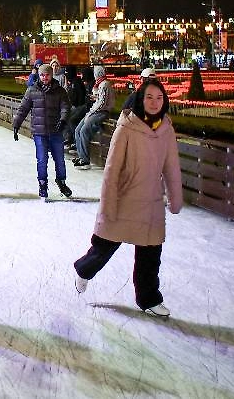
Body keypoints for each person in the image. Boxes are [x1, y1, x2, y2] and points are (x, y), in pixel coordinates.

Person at [72, 80, 183, 318]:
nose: (154, 103)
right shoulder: (127, 127)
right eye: (149, 97)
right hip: (124, 198)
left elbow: (171, 166)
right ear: (141, 99)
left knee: (151, 255)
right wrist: (108, 204)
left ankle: (149, 299)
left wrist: (175, 197)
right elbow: (112, 170)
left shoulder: (166, 129)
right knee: (103, 248)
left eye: (159, 98)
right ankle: (84, 270)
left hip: (152, 202)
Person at [12, 64, 72, 199]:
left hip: (55, 131)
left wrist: (63, 120)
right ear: (39, 76)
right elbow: (23, 109)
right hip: (39, 132)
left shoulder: (60, 91)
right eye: (42, 75)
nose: (44, 77)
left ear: (51, 75)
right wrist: (16, 125)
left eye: (47, 75)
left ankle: (61, 182)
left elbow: (65, 108)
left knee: (60, 160)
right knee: (42, 159)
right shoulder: (32, 90)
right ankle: (43, 184)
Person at [73, 65, 115, 169]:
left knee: (83, 130)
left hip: (101, 112)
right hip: (94, 111)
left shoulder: (104, 84)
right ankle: (81, 155)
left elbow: (102, 103)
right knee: (78, 129)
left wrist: (91, 112)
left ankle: (85, 159)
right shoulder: (99, 84)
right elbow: (100, 99)